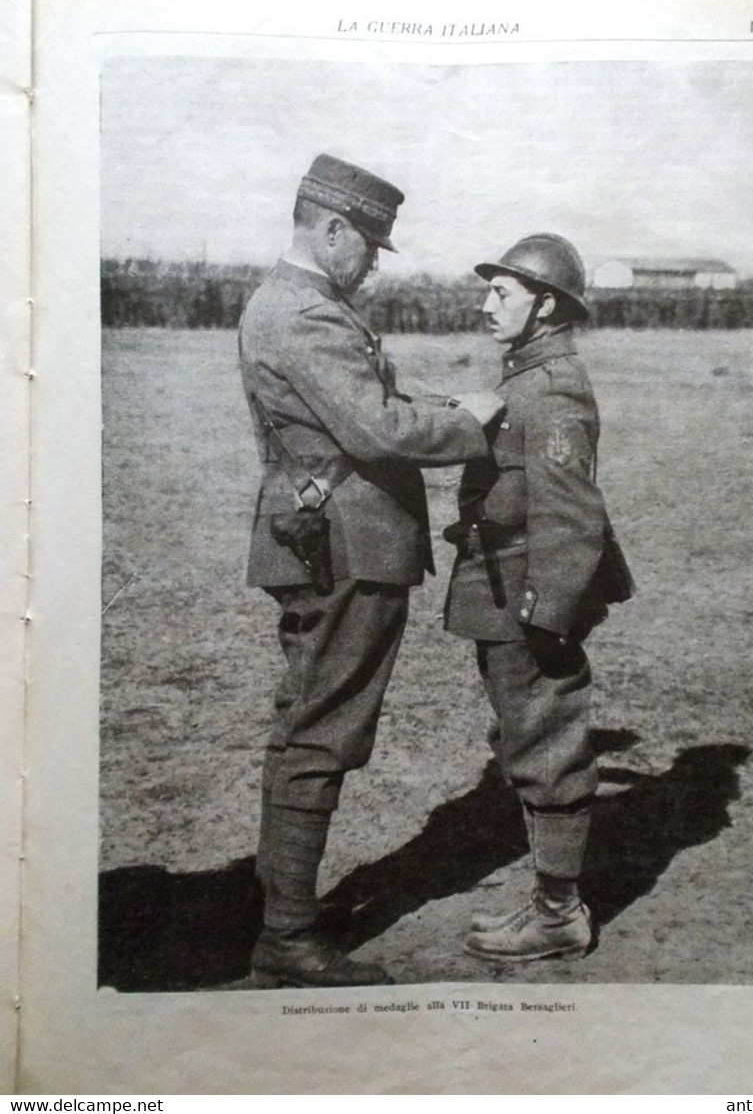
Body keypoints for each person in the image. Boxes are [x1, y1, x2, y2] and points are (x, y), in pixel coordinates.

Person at [238, 154, 504, 988]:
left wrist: (447, 402)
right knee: (323, 729)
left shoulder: (302, 305)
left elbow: (371, 394)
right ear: (332, 230)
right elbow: (380, 431)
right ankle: (286, 936)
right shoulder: (305, 315)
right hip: (346, 544)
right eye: (370, 246)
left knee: (306, 721)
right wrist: (471, 423)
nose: (374, 264)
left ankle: (280, 907)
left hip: (317, 535)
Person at [443, 233, 634, 963]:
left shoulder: (551, 389)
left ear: (544, 304)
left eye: (502, 293)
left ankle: (558, 915)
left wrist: (546, 613)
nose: (485, 303)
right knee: (525, 739)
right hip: (503, 581)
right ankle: (550, 902)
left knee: (546, 742)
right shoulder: (524, 379)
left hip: (526, 590)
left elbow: (571, 513)